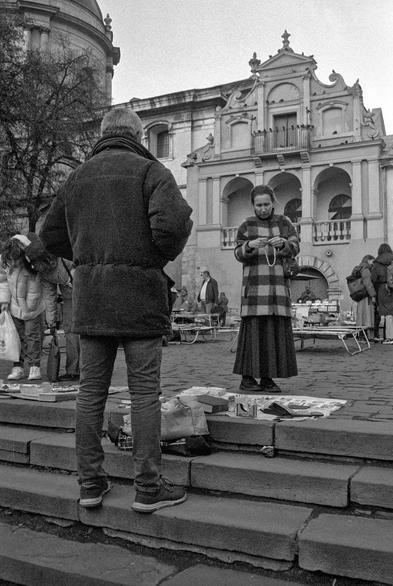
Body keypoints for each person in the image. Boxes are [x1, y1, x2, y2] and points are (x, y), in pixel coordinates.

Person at [40, 107, 193, 512]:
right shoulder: (151, 171)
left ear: (104, 134)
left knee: (91, 392)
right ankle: (148, 487)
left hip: (92, 299)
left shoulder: (77, 177)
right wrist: (148, 256)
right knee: (144, 393)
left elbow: (49, 234)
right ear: (139, 134)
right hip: (140, 297)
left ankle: (90, 483)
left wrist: (89, 257)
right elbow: (173, 227)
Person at [233, 184, 299, 393]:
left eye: (267, 204)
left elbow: (296, 246)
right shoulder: (246, 225)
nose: (263, 208)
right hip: (254, 290)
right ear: (253, 205)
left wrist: (284, 245)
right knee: (253, 335)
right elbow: (237, 253)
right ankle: (247, 378)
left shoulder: (284, 222)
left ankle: (268, 379)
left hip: (278, 290)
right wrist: (250, 246)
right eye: (259, 205)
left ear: (273, 203)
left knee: (273, 335)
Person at [24, 239, 80, 381]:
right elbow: (49, 297)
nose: (32, 266)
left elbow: (80, 278)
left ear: (42, 258)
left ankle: (86, 369)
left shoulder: (64, 258)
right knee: (69, 330)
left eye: (34, 262)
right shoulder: (44, 274)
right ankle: (73, 370)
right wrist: (51, 323)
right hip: (69, 298)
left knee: (81, 331)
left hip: (82, 294)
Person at [0, 234, 48, 381]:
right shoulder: (6, 261)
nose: (13, 263)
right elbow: (3, 282)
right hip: (14, 307)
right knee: (16, 338)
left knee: (32, 337)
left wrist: (29, 309)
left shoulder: (32, 265)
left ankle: (34, 366)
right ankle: (18, 366)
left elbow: (34, 290)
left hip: (31, 308)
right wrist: (4, 301)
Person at [371, 243, 393, 344]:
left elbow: (373, 279)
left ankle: (381, 336)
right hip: (391, 287)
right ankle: (389, 335)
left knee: (381, 312)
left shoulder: (376, 262)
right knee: (391, 313)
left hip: (381, 288)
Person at [351, 255, 376, 340]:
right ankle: (368, 336)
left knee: (360, 315)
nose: (373, 264)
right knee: (367, 315)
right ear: (368, 260)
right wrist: (373, 295)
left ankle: (360, 335)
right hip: (366, 295)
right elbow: (368, 284)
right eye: (372, 261)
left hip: (358, 295)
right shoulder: (366, 269)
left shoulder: (357, 269)